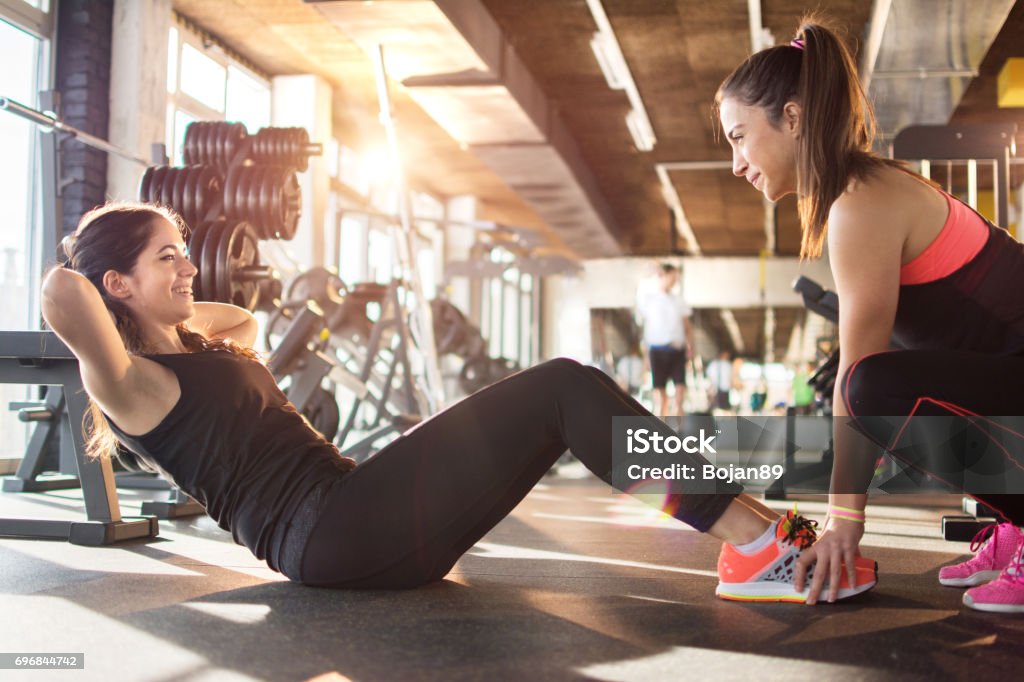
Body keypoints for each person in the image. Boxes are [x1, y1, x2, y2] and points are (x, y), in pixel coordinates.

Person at [42, 202, 876, 601]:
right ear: (114, 283)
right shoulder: (128, 383)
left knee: (567, 398)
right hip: (331, 535)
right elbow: (60, 291)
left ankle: (772, 536)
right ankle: (762, 545)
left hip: (349, 518)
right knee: (558, 386)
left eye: (186, 250)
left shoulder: (193, 348)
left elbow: (246, 316)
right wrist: (98, 268)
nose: (188, 265)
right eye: (166, 257)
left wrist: (159, 293)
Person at [717, 15, 1024, 611]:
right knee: (865, 376)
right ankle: (1016, 519)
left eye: (737, 136)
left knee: (868, 385)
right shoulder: (857, 195)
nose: (735, 163)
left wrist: (843, 521)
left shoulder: (861, 203)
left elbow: (865, 378)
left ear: (793, 118)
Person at [636, 263, 695, 417]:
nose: (675, 280)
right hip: (657, 350)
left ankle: (679, 428)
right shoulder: (648, 299)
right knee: (660, 393)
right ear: (663, 276)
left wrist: (691, 349)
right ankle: (661, 425)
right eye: (672, 276)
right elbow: (640, 282)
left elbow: (688, 328)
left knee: (680, 390)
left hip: (677, 349)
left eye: (676, 277)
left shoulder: (679, 301)